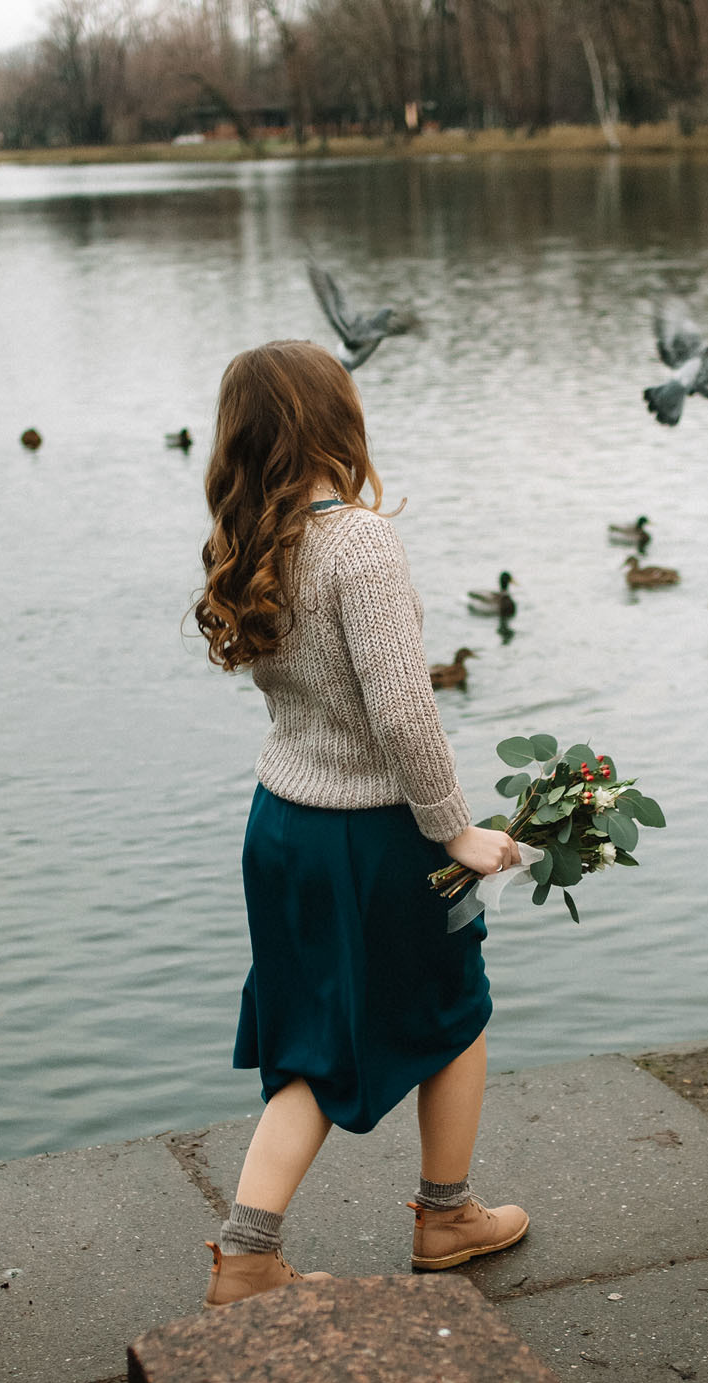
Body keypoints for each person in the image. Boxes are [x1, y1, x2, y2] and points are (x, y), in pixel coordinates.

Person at [192, 338, 530, 1308]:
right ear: (334, 421)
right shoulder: (359, 541)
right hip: (372, 834)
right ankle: (447, 1213)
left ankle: (249, 1252)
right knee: (455, 1005)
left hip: (281, 827)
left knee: (310, 1035)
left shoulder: (250, 542)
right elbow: (402, 711)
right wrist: (456, 827)